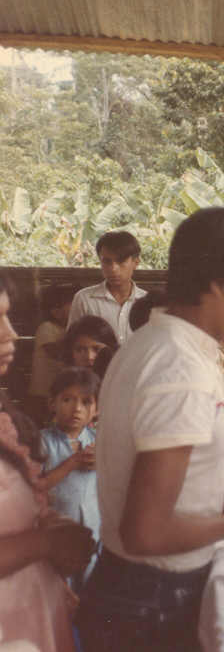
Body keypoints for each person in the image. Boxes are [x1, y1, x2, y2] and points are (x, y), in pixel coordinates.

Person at [77, 207, 224, 652]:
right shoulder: (180, 368)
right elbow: (145, 532)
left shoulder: (154, 342)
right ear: (220, 285)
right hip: (153, 600)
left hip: (132, 590)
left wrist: (213, 493)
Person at [0, 273, 96, 652]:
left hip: (30, 613)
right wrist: (44, 542)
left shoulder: (6, 422)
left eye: (7, 317)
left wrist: (50, 524)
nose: (10, 333)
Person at [39, 367, 101, 586]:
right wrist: (72, 463)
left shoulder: (100, 442)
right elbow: (37, 486)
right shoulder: (43, 442)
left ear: (97, 410)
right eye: (67, 400)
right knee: (58, 586)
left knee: (89, 587)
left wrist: (104, 462)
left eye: (86, 402)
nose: (77, 409)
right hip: (58, 532)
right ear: (52, 404)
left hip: (93, 530)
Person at [68, 230, 147, 343]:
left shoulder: (147, 302)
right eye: (107, 262)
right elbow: (72, 343)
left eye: (121, 261)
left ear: (136, 262)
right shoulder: (84, 299)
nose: (113, 269)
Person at [25, 284, 74, 425]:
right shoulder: (47, 328)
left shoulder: (66, 330)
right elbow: (55, 352)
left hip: (59, 393)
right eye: (71, 306)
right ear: (55, 311)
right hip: (42, 393)